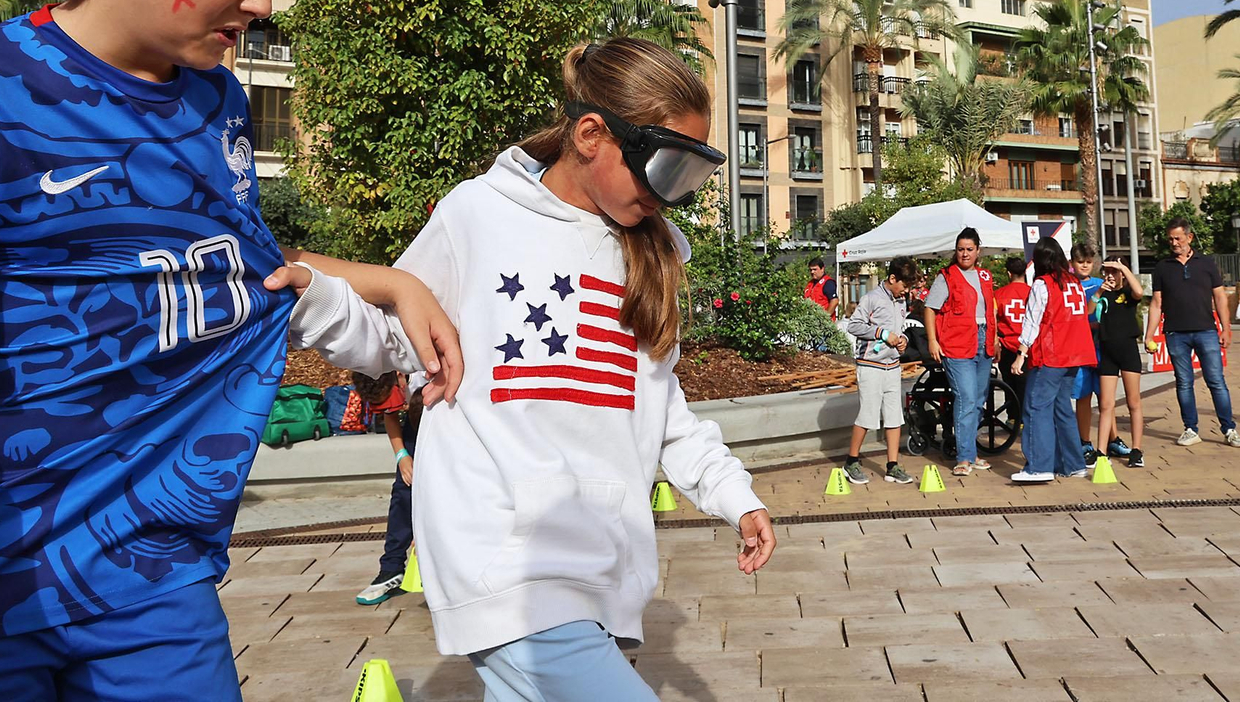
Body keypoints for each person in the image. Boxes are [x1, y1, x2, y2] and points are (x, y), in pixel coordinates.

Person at [0, 0, 458, 702]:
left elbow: (236, 261)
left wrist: (388, 280)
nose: (263, 1)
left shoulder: (217, 105)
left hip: (156, 584)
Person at [278, 38, 776, 700]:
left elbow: (666, 414)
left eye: (690, 175)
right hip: (504, 563)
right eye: (664, 169)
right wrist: (309, 291)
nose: (670, 196)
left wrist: (736, 497)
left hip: (599, 568)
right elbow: (390, 337)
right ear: (593, 134)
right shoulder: (478, 216)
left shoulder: (648, 257)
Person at [1146, 218, 1240, 448]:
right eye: (1170, 238)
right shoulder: (1162, 267)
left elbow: (1220, 297)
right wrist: (1149, 335)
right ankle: (1190, 429)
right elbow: (1156, 303)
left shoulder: (1207, 263)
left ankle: (1229, 429)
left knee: (1216, 381)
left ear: (1189, 238)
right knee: (1183, 382)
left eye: (1178, 238)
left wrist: (1226, 328)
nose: (1174, 243)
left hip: (1206, 331)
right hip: (1175, 333)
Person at [1008, 237, 1096, 483]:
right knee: (1062, 409)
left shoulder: (1042, 284)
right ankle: (1073, 463)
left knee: (1037, 408)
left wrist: (1021, 354)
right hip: (1075, 354)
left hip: (1052, 354)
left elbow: (1032, 321)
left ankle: (1039, 466)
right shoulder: (1074, 283)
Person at [922, 229, 997, 477]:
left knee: (977, 399)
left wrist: (995, 340)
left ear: (978, 251)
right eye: (961, 249)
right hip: (956, 344)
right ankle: (963, 457)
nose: (965, 253)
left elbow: (990, 309)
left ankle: (971, 451)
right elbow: (930, 308)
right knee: (965, 397)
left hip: (983, 340)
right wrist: (933, 341)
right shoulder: (946, 277)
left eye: (969, 249)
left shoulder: (985, 276)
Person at [844, 258, 920, 485]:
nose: (905, 291)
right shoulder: (871, 298)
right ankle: (851, 461)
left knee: (894, 416)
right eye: (904, 286)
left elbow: (901, 326)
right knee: (867, 415)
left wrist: (903, 339)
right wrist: (882, 334)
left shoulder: (901, 301)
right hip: (870, 365)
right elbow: (854, 325)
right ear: (892, 278)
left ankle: (892, 466)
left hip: (892, 366)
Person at [354, 372, 427, 605]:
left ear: (400, 376)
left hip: (447, 417)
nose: (399, 405)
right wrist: (402, 455)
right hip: (415, 426)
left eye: (397, 400)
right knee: (403, 489)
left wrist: (425, 526)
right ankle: (392, 569)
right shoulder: (378, 372)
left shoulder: (424, 362)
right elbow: (391, 416)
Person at [1093, 258, 1146, 467]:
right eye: (1106, 271)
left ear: (1123, 273)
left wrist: (1123, 268)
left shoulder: (1127, 295)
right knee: (1106, 405)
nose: (1109, 276)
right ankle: (1101, 452)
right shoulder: (1103, 293)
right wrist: (1098, 294)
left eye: (1113, 272)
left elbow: (1139, 292)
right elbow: (1089, 312)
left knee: (1134, 403)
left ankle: (1137, 449)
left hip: (1128, 351)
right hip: (1107, 351)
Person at [1069, 242, 1103, 466]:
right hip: (1078, 350)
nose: (1085, 266)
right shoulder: (1068, 286)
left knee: (1106, 398)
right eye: (1080, 262)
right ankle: (1084, 441)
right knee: (1083, 397)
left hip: (1100, 348)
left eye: (1088, 262)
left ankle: (1110, 440)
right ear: (1072, 263)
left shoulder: (1100, 284)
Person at [994, 256, 1032, 423]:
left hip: (1006, 346)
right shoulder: (1032, 292)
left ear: (1009, 273)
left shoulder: (998, 294)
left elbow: (993, 319)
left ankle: (1012, 418)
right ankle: (1026, 419)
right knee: (1026, 386)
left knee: (1009, 385)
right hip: (1027, 348)